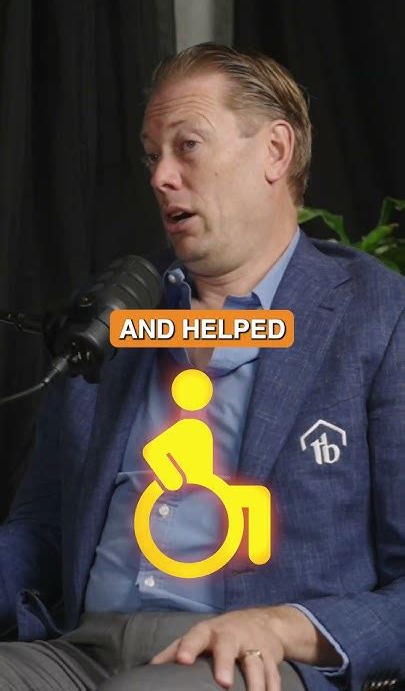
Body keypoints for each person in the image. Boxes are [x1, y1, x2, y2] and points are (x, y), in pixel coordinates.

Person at [0, 42, 404, 691]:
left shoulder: (377, 315)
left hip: (242, 660)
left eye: (186, 146)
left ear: (275, 151)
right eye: (152, 155)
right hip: (77, 652)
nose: (161, 176)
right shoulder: (113, 313)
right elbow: (41, 530)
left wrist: (285, 626)